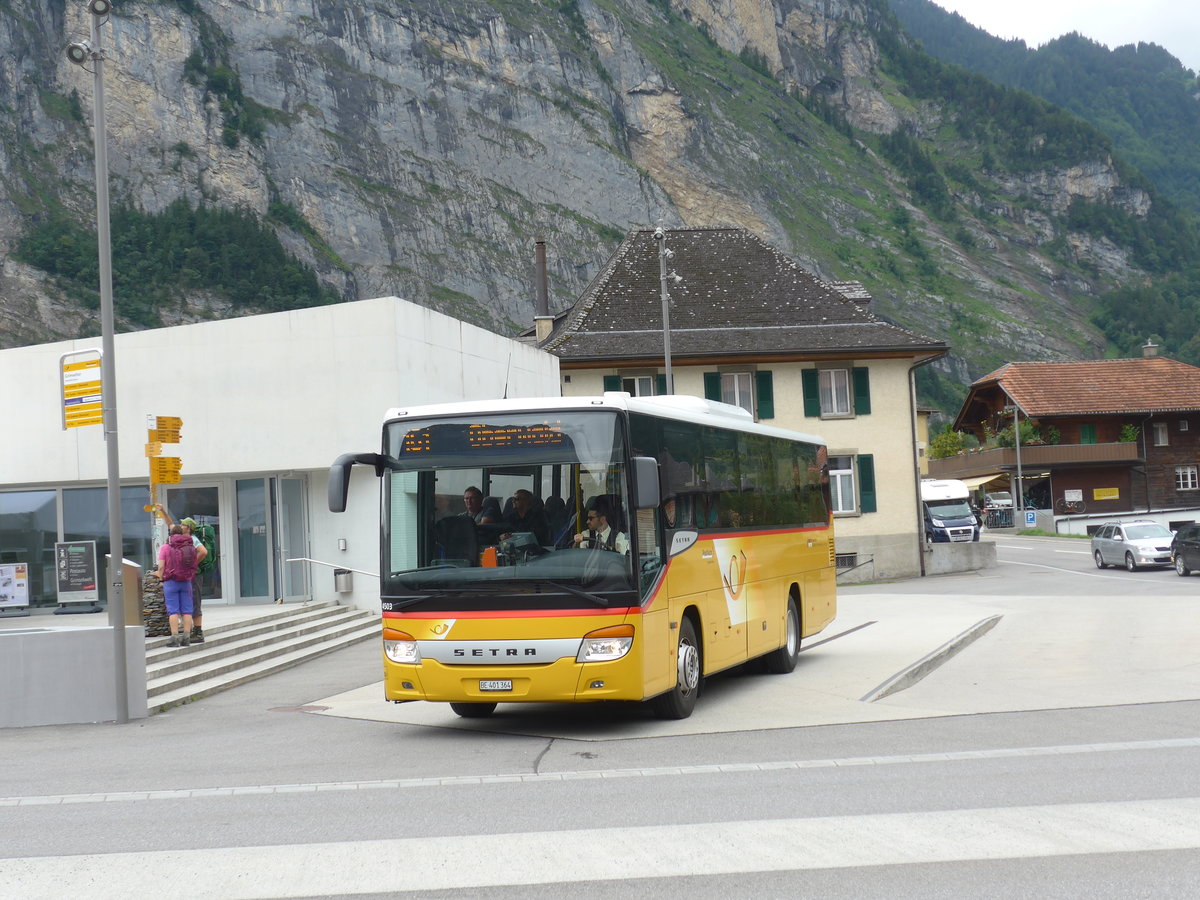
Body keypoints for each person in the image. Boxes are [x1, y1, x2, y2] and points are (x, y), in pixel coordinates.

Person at [156, 505, 209, 643]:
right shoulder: (184, 539)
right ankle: (187, 635)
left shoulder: (189, 539)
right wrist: (162, 511)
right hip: (186, 577)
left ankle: (195, 631)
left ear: (188, 528)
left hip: (178, 578)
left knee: (185, 606)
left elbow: (203, 552)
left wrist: (193, 564)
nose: (180, 525)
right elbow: (169, 522)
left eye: (183, 524)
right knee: (187, 607)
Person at [157, 525, 199, 647]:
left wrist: (160, 578)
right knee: (187, 610)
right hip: (186, 581)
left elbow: (161, 566)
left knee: (173, 610)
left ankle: (174, 638)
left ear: (170, 534)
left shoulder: (165, 547)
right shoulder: (189, 546)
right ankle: (186, 637)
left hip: (170, 581)